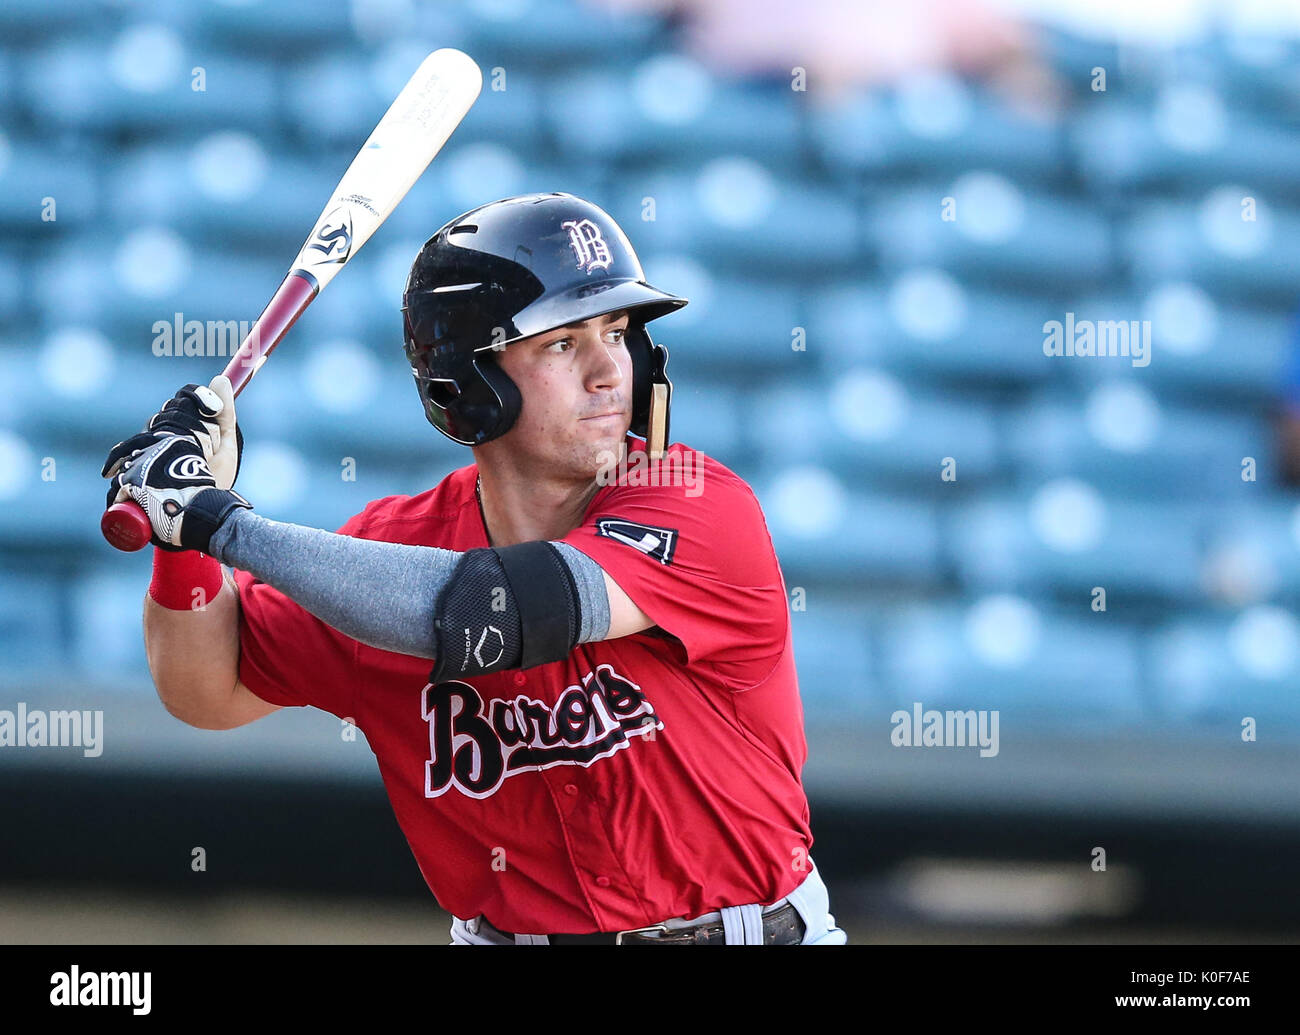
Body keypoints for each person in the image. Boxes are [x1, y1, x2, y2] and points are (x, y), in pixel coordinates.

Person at [102, 192, 846, 945]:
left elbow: (496, 611)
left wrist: (219, 521)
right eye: (561, 342)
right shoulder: (388, 552)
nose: (607, 371)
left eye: (617, 332)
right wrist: (183, 541)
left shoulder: (695, 501)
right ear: (469, 380)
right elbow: (205, 688)